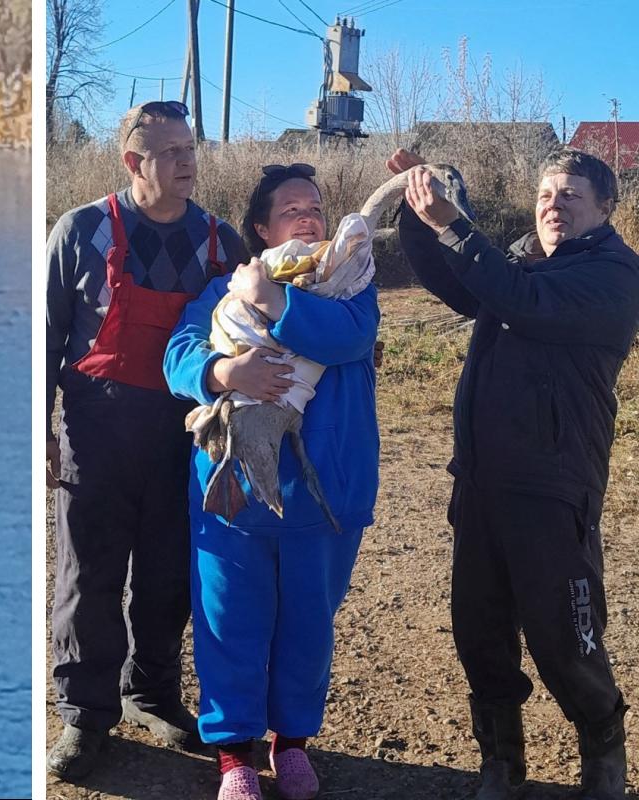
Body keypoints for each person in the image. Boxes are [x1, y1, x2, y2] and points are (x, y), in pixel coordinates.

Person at [392, 146, 637, 800]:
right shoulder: (522, 261)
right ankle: (502, 762)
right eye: (546, 195)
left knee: (565, 639)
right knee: (480, 632)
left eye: (570, 196)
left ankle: (603, 749)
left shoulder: (615, 274)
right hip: (482, 483)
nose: (552, 206)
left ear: (606, 208)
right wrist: (420, 213)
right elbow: (458, 282)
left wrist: (458, 225)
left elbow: (521, 299)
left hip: (554, 489)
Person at [45, 100, 249, 779]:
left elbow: (254, 332)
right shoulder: (81, 231)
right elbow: (43, 338)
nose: (188, 162)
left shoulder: (223, 244)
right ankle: (85, 715)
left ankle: (151, 694)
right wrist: (35, 429)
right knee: (90, 576)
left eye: (191, 149)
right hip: (95, 430)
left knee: (169, 578)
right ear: (135, 163)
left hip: (185, 437)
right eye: (171, 153)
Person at [163, 163, 380, 800]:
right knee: (230, 619)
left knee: (309, 624)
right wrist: (226, 373)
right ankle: (234, 755)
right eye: (291, 210)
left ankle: (291, 744)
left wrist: (275, 301)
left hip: (325, 494)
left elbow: (351, 337)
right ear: (261, 228)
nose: (308, 217)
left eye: (315, 207)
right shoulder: (223, 292)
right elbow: (179, 350)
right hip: (233, 494)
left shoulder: (349, 286)